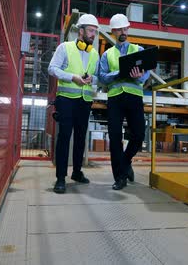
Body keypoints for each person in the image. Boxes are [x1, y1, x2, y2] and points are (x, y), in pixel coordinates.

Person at [48, 14, 100, 194]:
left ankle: (77, 172)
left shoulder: (94, 54)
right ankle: (60, 178)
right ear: (81, 30)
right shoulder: (65, 48)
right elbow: (52, 68)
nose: (94, 34)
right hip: (66, 100)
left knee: (80, 138)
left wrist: (94, 79)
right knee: (64, 138)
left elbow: (98, 78)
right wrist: (73, 77)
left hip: (84, 102)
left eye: (95, 31)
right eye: (91, 30)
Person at [98, 14, 150, 190]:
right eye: (119, 29)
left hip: (134, 96)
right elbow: (103, 77)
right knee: (115, 138)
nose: (123, 32)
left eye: (125, 29)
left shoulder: (138, 49)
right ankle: (120, 177)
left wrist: (141, 76)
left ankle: (126, 161)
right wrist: (119, 73)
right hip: (115, 99)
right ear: (113, 31)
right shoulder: (107, 55)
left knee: (139, 134)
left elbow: (147, 72)